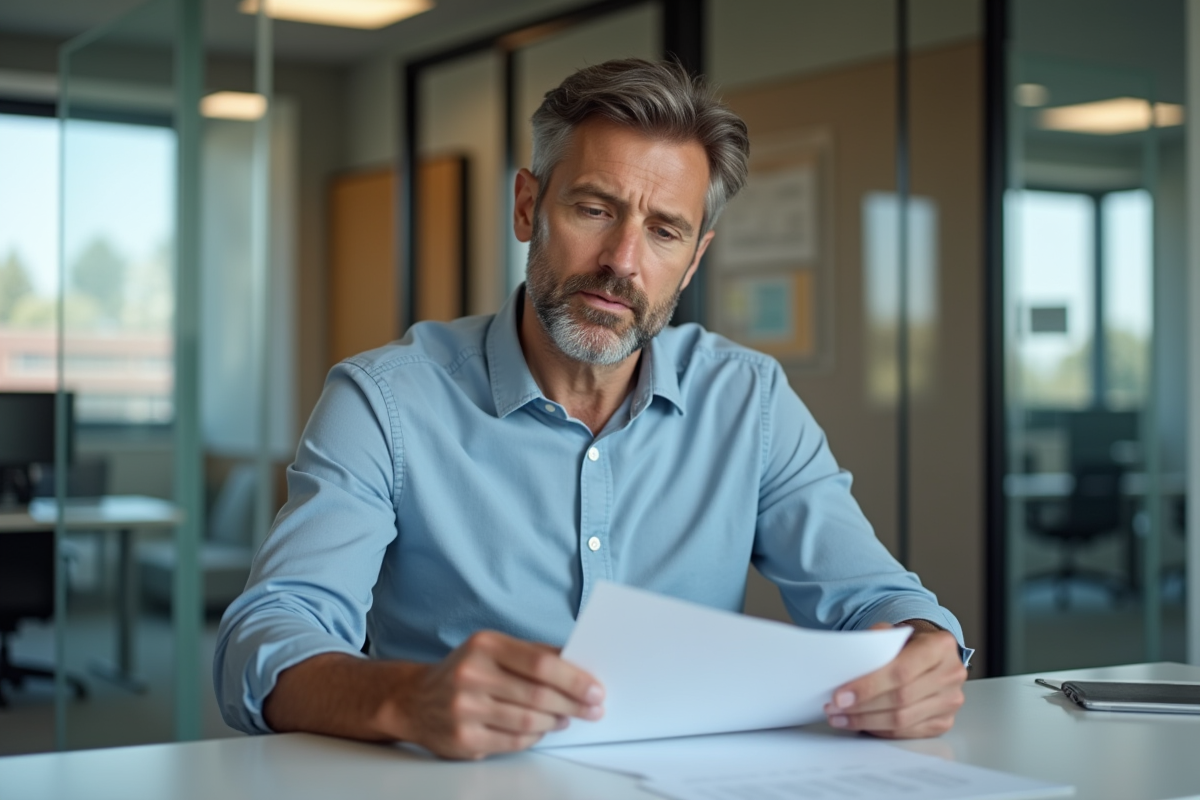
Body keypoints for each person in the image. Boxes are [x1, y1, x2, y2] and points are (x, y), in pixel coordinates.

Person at [214, 58, 971, 761]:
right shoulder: (384, 401)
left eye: (664, 231)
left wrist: (924, 648)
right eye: (595, 208)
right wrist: (408, 697)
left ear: (695, 258)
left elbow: (878, 596)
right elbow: (269, 636)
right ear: (527, 205)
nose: (622, 261)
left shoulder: (750, 399)